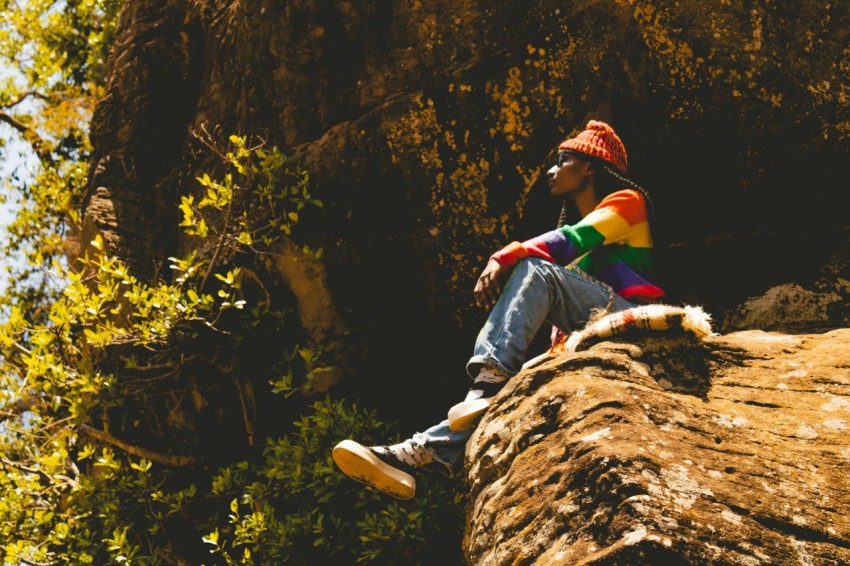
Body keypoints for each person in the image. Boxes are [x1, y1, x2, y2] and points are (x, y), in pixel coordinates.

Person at [332, 120, 665, 500]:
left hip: (631, 321)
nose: (550, 170)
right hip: (592, 328)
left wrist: (503, 256)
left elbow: (570, 241)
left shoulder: (628, 202)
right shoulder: (578, 263)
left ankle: (487, 378)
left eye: (563, 159)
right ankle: (417, 453)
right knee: (511, 389)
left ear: (590, 166)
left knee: (535, 271)